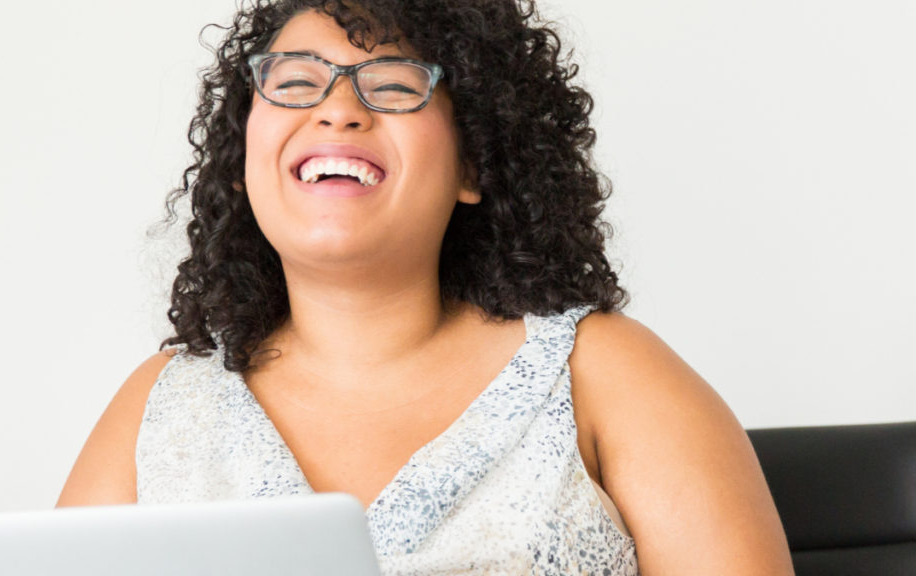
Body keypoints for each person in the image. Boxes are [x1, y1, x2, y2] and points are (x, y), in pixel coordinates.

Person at [58, 0, 794, 573]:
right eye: (294, 82)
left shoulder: (607, 374)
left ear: (474, 164)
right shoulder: (162, 406)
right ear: (243, 151)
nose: (338, 108)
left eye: (392, 86)